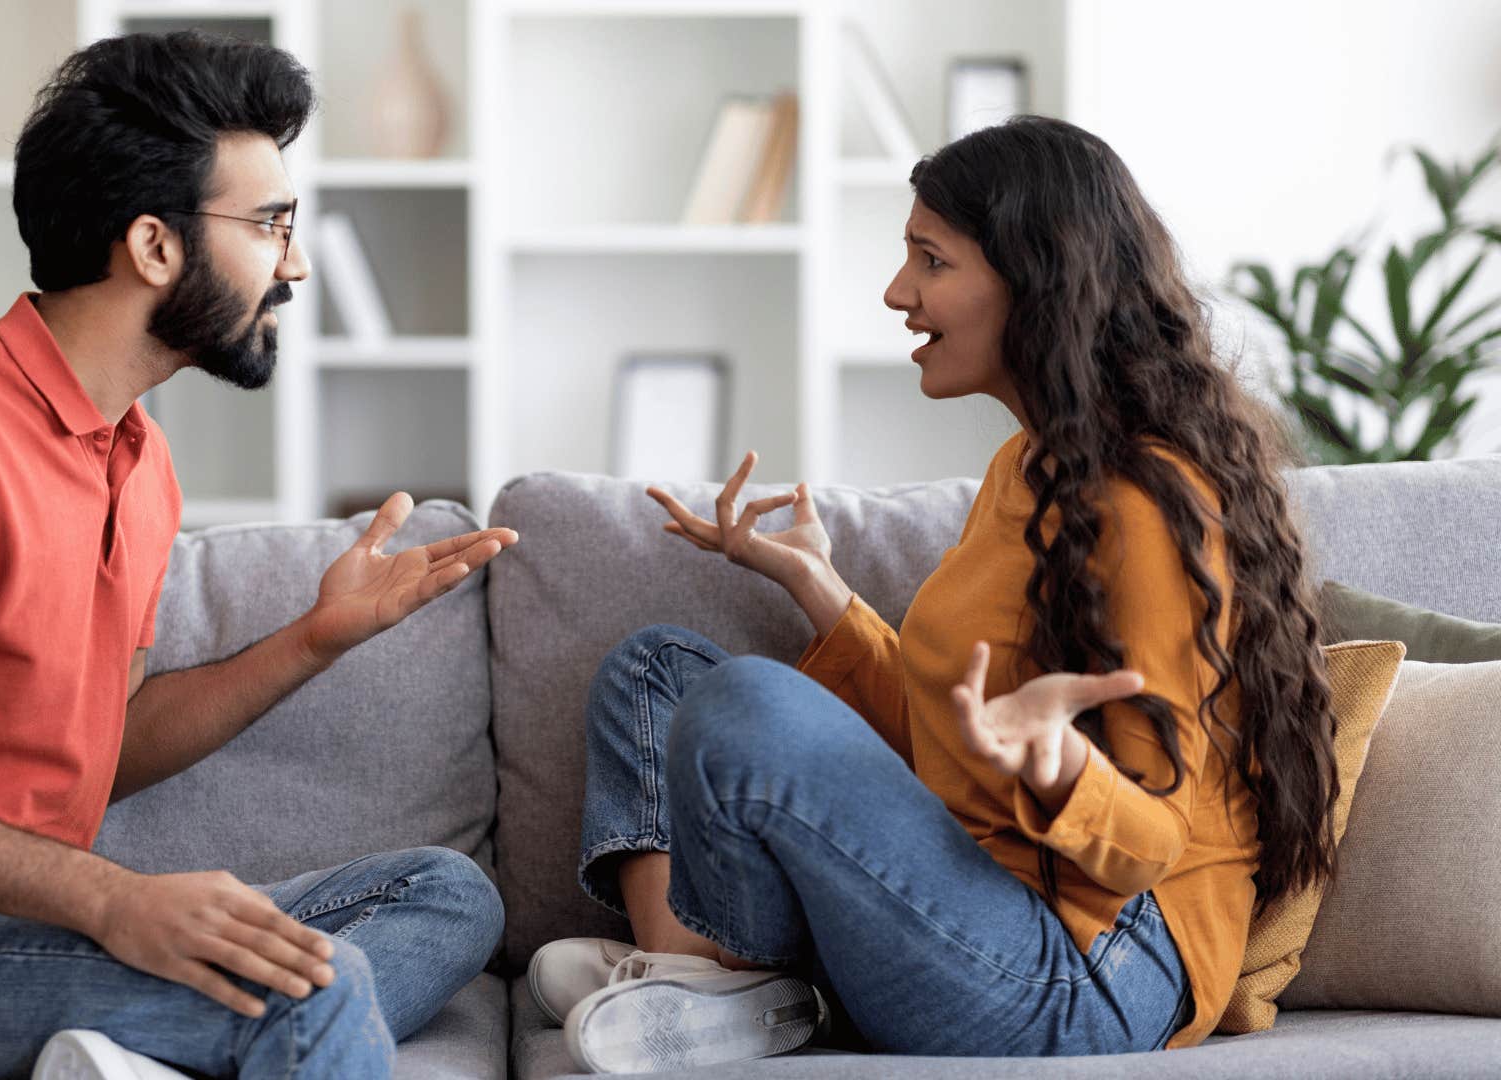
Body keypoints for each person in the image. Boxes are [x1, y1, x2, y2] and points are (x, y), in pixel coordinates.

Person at [0, 31, 513, 1080]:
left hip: (4, 929)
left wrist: (311, 641)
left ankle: (135, 1054)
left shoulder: (139, 457)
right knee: (321, 989)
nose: (294, 263)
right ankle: (200, 1042)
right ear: (155, 246)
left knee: (446, 893)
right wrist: (114, 902)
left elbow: (102, 746)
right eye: (270, 225)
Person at [528, 115, 1338, 1074]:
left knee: (746, 702)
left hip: (1087, 974)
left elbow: (1150, 844)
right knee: (656, 668)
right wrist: (817, 587)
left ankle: (705, 979)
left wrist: (1056, 768)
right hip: (964, 901)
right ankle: (717, 986)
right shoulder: (1026, 469)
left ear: (1038, 282)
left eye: (931, 259)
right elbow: (938, 729)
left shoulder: (1146, 505)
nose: (897, 291)